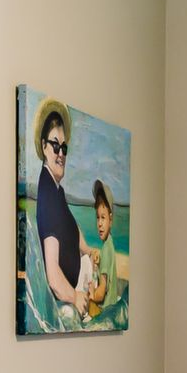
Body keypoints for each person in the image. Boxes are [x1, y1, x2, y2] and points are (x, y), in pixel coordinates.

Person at [32, 99, 102, 320]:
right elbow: (53, 275)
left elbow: (71, 227)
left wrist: (87, 250)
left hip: (78, 285)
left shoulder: (57, 191)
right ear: (44, 146)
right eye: (55, 146)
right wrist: (75, 296)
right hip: (68, 299)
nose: (60, 153)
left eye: (64, 147)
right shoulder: (48, 195)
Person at [87, 178, 121, 319]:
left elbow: (101, 294)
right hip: (112, 309)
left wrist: (91, 293)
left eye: (103, 218)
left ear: (111, 220)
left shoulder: (106, 249)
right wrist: (99, 261)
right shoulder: (109, 244)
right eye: (97, 218)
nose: (100, 223)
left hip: (104, 313)